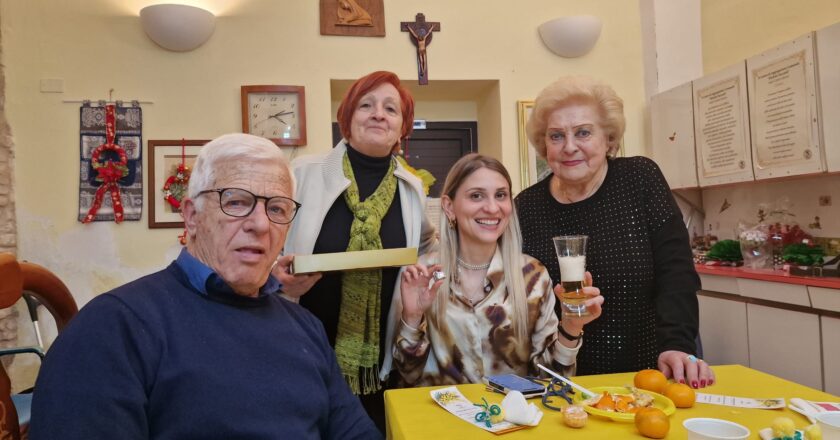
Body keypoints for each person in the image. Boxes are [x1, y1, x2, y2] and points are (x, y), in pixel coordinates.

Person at [29, 133, 380, 439]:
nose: (260, 223)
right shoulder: (113, 329)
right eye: (237, 201)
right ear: (192, 216)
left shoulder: (304, 327)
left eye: (276, 208)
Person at [515, 76, 715, 389]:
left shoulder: (640, 179)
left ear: (609, 139)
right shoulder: (526, 206)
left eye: (583, 132)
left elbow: (675, 271)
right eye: (556, 136)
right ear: (544, 146)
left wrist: (677, 343)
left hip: (645, 372)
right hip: (561, 378)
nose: (569, 147)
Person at [273, 71, 435, 431]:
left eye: (391, 108)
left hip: (379, 365)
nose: (379, 114)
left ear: (402, 126)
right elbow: (269, 241)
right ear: (347, 117)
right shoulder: (302, 173)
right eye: (367, 105)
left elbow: (426, 246)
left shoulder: (412, 189)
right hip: (303, 353)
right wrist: (277, 279)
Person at [390, 154, 603, 386]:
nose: (492, 208)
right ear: (449, 207)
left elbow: (552, 380)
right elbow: (408, 376)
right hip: (443, 419)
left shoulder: (533, 276)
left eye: (500, 195)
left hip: (513, 420)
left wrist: (571, 327)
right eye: (476, 196)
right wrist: (411, 318)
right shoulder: (423, 275)